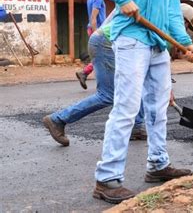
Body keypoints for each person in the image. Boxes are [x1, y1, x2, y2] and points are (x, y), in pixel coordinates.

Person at [85, 0, 193, 204]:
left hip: (158, 45)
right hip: (132, 38)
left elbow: (171, 6)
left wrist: (182, 41)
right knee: (126, 106)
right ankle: (106, 178)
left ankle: (158, 164)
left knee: (158, 107)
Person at [42, 12, 146, 147]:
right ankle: (58, 119)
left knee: (138, 83)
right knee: (107, 94)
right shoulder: (157, 11)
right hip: (106, 42)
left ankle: (137, 126)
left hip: (110, 41)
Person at [76, 0, 107, 90]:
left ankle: (85, 73)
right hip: (97, 30)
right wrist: (96, 34)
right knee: (103, 57)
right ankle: (84, 73)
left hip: (93, 29)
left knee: (101, 56)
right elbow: (93, 17)